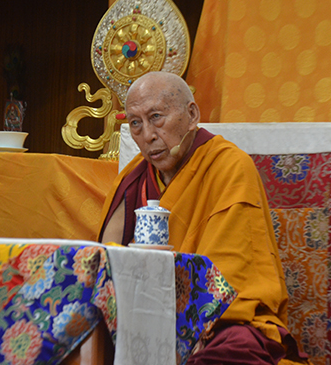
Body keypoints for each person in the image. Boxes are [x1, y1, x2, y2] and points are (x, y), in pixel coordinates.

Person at [98, 71, 308, 364]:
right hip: (143, 321)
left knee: (233, 350)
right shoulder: (133, 180)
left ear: (192, 114)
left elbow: (232, 272)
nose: (147, 135)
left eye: (156, 117)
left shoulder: (229, 167)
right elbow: (107, 263)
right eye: (135, 123)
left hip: (220, 322)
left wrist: (193, 331)